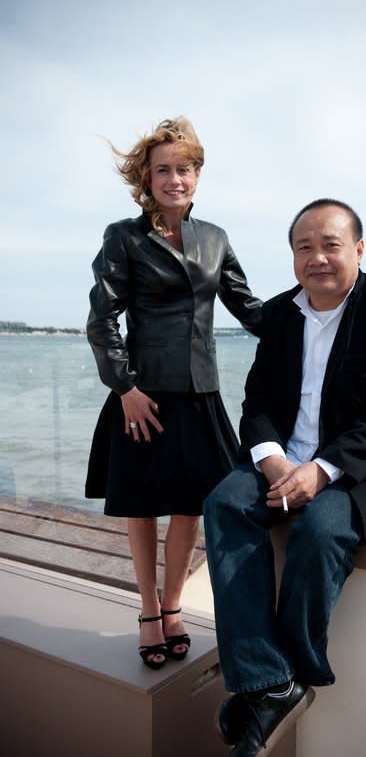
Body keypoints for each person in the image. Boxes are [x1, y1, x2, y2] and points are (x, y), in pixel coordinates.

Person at [203, 198, 366, 756]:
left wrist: (323, 470)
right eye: (304, 247)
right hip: (287, 457)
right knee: (223, 504)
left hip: (364, 468)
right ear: (292, 258)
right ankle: (270, 682)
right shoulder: (280, 314)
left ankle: (290, 672)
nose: (317, 258)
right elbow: (257, 399)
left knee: (321, 531)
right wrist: (272, 457)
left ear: (358, 249)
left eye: (331, 245)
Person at [85, 117, 262, 670]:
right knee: (142, 507)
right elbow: (101, 320)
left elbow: (249, 307)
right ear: (148, 177)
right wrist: (125, 389)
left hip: (201, 392)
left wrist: (310, 312)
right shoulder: (124, 237)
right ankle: (146, 611)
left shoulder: (215, 238)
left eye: (183, 168)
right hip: (143, 394)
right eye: (163, 169)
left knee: (191, 507)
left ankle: (173, 605)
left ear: (198, 174)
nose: (174, 178)